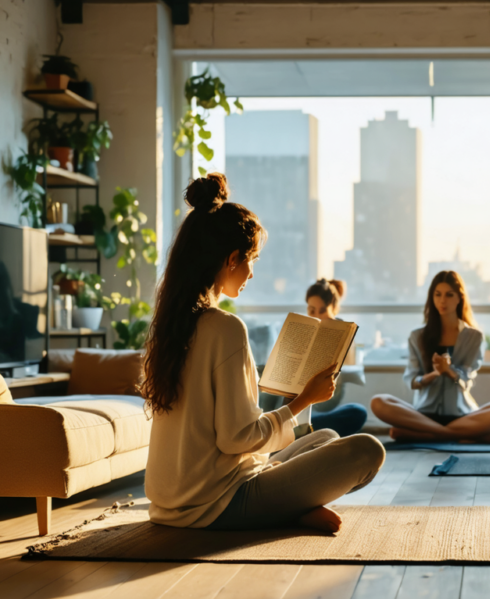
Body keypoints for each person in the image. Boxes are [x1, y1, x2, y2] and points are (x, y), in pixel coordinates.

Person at [141, 173, 384, 534]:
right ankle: (288, 511)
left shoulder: (169, 325)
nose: (251, 273)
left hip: (173, 499)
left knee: (325, 439)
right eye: (251, 259)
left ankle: (289, 507)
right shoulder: (225, 327)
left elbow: (228, 439)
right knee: (368, 450)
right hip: (215, 503)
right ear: (232, 259)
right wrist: (303, 400)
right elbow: (237, 439)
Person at [371, 270, 490, 443]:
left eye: (449, 295)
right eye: (438, 294)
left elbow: (466, 381)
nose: (442, 300)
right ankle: (460, 435)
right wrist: (434, 374)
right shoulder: (417, 336)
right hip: (423, 415)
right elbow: (412, 381)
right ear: (431, 298)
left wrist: (449, 371)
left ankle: (428, 435)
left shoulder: (474, 336)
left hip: (462, 415)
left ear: (459, 298)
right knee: (378, 402)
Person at [305, 278, 368, 437]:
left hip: (326, 407)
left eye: (322, 311)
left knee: (357, 412)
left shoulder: (344, 332)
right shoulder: (303, 331)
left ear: (334, 309)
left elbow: (352, 369)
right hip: (300, 405)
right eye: (312, 311)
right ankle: (303, 430)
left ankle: (302, 431)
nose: (317, 317)